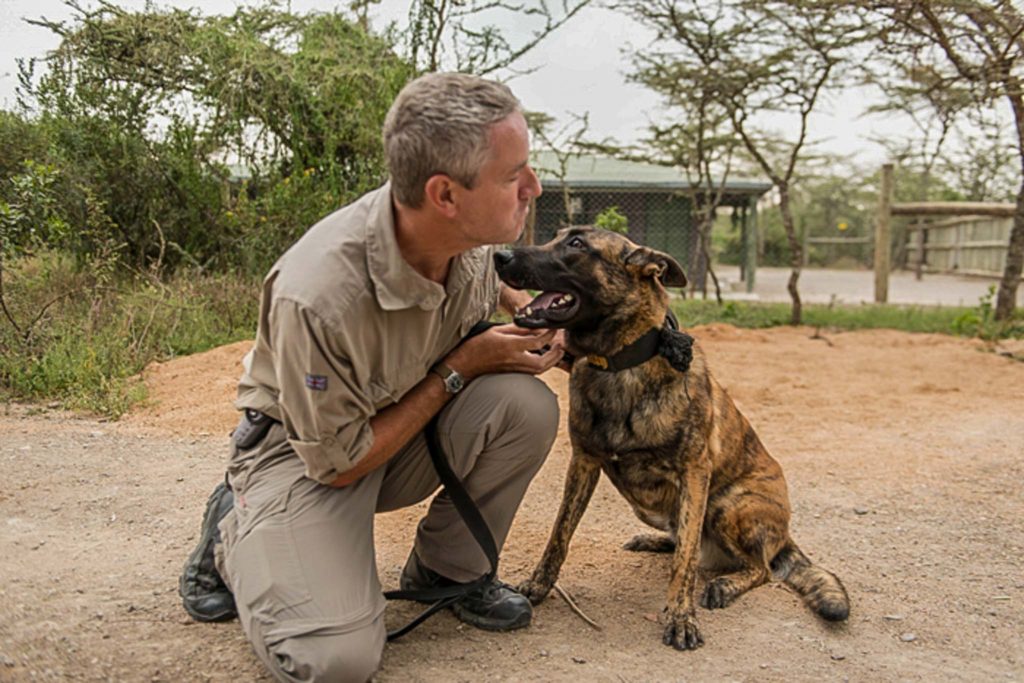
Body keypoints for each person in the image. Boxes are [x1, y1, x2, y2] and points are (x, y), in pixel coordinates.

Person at [177, 72, 565, 683]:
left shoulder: (459, 237)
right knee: (334, 661)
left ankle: (447, 571)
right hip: (306, 456)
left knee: (526, 407)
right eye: (513, 174)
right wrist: (462, 367)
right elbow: (336, 462)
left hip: (397, 431)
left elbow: (485, 274)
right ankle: (235, 528)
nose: (532, 187)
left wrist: (525, 307)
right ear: (445, 195)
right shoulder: (319, 294)